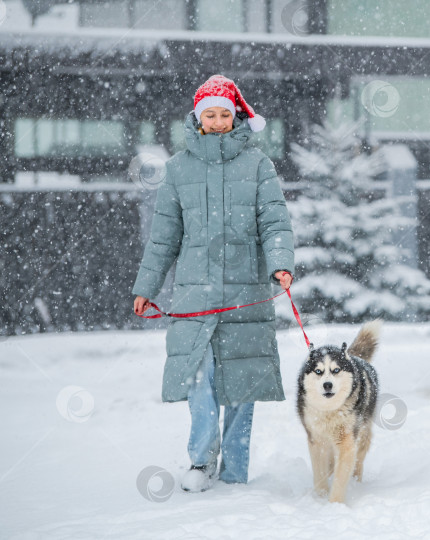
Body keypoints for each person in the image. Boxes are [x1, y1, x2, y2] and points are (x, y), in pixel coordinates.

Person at [132, 74, 295, 492]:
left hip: (246, 290)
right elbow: (164, 236)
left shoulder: (258, 165)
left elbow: (275, 222)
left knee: (242, 381)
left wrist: (280, 264)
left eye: (226, 114)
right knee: (198, 377)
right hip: (195, 294)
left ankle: (235, 471)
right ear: (197, 117)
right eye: (211, 115)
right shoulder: (177, 169)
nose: (219, 122)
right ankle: (201, 462)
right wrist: (146, 286)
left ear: (236, 116)